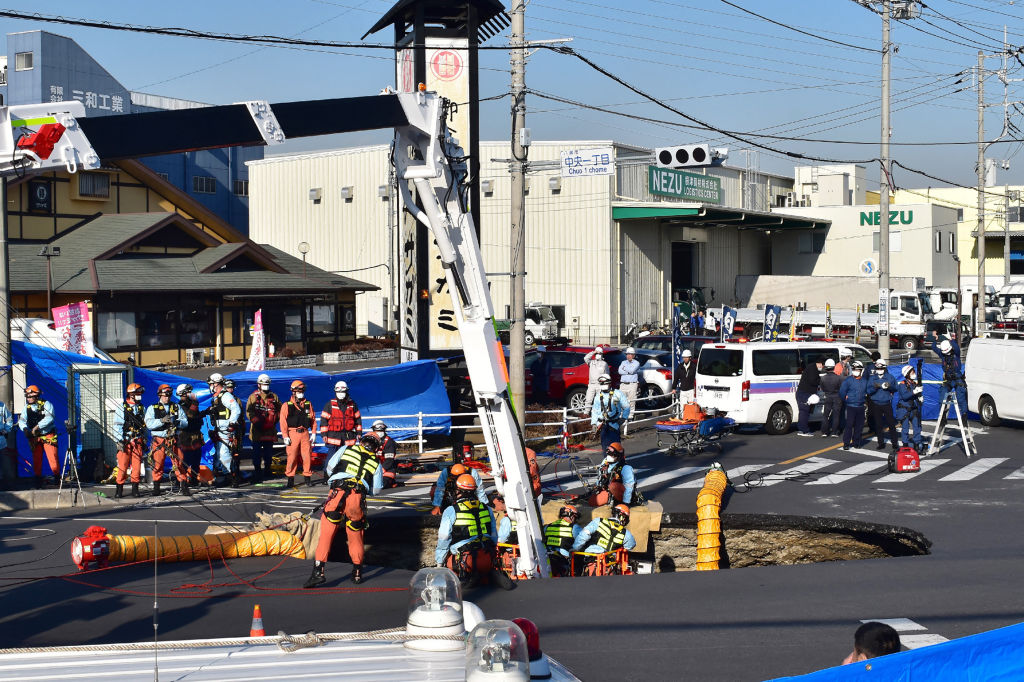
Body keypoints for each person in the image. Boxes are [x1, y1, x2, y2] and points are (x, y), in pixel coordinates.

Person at [304, 432, 383, 587]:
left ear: (362, 441)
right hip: (357, 499)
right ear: (376, 448)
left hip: (337, 494)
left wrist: (335, 481)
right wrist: (365, 489)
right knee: (355, 536)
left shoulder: (347, 449)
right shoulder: (376, 463)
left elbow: (330, 467)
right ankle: (357, 573)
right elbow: (378, 489)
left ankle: (318, 572)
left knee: (326, 534)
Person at [434, 473, 500, 585]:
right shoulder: (487, 508)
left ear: (459, 491)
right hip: (487, 557)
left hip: (466, 561)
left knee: (449, 563)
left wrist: (439, 562)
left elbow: (444, 538)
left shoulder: (451, 510)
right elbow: (494, 536)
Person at [144, 384, 188, 496]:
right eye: (165, 395)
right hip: (159, 440)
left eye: (169, 395)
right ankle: (156, 487)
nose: (167, 398)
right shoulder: (152, 408)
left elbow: (185, 422)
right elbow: (148, 424)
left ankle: (183, 485)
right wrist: (161, 421)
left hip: (173, 439)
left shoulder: (176, 407)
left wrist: (177, 422)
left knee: (179, 462)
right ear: (159, 395)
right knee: (158, 464)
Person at [18, 385, 58, 490]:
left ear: (37, 396)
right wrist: (25, 429)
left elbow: (50, 418)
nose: (29, 398)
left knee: (52, 458)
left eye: (31, 396)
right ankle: (37, 481)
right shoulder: (26, 408)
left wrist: (37, 427)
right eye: (27, 396)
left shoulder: (47, 404)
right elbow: (22, 420)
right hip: (35, 438)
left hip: (48, 435)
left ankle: (57, 479)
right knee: (36, 460)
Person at [573, 504, 636, 569]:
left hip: (590, 559)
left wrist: (574, 549)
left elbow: (584, 535)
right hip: (609, 564)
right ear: (624, 518)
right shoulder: (626, 533)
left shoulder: (598, 521)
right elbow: (630, 546)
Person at [205, 373, 241, 486]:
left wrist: (231, 423)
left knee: (224, 454)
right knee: (219, 454)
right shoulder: (216, 397)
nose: (210, 386)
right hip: (219, 429)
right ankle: (225, 475)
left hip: (226, 430)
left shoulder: (225, 396)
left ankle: (232, 477)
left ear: (216, 384)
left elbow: (236, 409)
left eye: (211, 384)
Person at [280, 379, 316, 488]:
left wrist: (313, 433)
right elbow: (283, 422)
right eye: (299, 391)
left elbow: (313, 420)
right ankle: (290, 479)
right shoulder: (286, 405)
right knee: (292, 457)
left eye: (302, 390)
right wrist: (285, 436)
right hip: (292, 434)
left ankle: (307, 478)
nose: (301, 393)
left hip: (305, 433)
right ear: (293, 392)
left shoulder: (308, 404)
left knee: (307, 456)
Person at [113, 383, 147, 499]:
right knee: (122, 466)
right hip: (126, 441)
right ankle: (119, 488)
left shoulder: (141, 408)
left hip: (137, 441)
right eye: (137, 394)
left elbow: (144, 426)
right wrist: (119, 441)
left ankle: (135, 489)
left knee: (136, 466)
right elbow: (117, 426)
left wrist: (144, 440)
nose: (139, 396)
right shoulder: (121, 408)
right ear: (131, 395)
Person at [246, 373, 281, 483]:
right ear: (259, 385)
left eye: (267, 384)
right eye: (263, 384)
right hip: (257, 431)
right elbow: (249, 411)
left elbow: (280, 410)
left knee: (268, 453)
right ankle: (257, 471)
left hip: (269, 431)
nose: (266, 386)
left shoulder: (274, 397)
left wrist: (274, 420)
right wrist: (256, 422)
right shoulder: (253, 397)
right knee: (256, 454)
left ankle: (267, 470)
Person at [930, 330, 967, 422]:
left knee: (961, 397)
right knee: (942, 396)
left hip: (958, 378)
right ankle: (942, 416)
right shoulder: (942, 355)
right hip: (948, 379)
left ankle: (964, 416)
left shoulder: (956, 353)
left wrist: (951, 339)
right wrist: (935, 339)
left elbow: (956, 347)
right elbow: (934, 347)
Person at [587, 442, 639, 507]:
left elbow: (629, 487)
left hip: (622, 492)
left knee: (613, 486)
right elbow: (600, 477)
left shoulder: (626, 468)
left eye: (612, 455)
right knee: (592, 502)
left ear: (618, 456)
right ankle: (608, 500)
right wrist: (597, 488)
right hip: (608, 490)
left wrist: (626, 503)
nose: (609, 457)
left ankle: (620, 503)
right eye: (608, 454)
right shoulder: (605, 462)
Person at [866, 359, 899, 453]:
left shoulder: (890, 377)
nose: (879, 369)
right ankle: (881, 443)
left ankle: (895, 443)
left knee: (891, 424)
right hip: (876, 403)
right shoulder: (872, 378)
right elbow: (868, 391)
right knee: (878, 424)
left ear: (884, 368)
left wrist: (890, 387)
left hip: (886, 403)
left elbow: (896, 388)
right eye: (878, 368)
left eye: (881, 368)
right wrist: (874, 387)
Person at [176, 384, 205, 488]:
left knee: (196, 459)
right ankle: (180, 480)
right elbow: (190, 415)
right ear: (183, 393)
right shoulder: (180, 406)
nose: (190, 393)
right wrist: (195, 402)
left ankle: (194, 479)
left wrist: (206, 412)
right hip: (186, 437)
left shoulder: (191, 404)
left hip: (196, 435)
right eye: (188, 391)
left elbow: (196, 416)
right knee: (186, 460)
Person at [591, 374, 630, 450]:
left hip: (614, 425)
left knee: (616, 449)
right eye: (601, 383)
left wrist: (623, 419)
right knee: (606, 449)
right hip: (602, 426)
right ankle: (607, 461)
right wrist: (593, 424)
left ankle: (619, 461)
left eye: (605, 383)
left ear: (609, 383)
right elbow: (595, 411)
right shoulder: (598, 396)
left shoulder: (618, 394)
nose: (603, 385)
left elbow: (626, 407)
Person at [320, 380, 362, 448]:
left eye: (342, 391)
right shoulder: (329, 405)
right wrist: (324, 434)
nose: (340, 393)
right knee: (332, 458)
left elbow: (358, 420)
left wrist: (359, 433)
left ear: (346, 391)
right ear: (335, 392)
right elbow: (323, 421)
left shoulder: (352, 404)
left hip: (349, 438)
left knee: (348, 458)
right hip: (333, 439)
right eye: (338, 392)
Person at [544, 504, 582, 577]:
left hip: (547, 560)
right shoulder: (574, 527)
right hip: (564, 562)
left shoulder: (547, 527)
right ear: (572, 516)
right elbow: (585, 540)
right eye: (575, 517)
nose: (575, 520)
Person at [839, 361, 868, 451]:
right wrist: (846, 399)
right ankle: (846, 443)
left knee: (859, 426)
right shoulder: (848, 380)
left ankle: (856, 442)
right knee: (849, 425)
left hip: (860, 406)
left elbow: (868, 391)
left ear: (861, 370)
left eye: (858, 369)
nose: (856, 371)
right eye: (854, 369)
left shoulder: (864, 381)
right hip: (851, 406)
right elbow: (842, 392)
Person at [895, 365, 925, 450]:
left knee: (917, 427)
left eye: (914, 372)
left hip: (914, 409)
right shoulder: (902, 384)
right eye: (912, 372)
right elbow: (904, 396)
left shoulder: (915, 384)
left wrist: (920, 397)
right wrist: (914, 392)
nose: (914, 374)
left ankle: (916, 444)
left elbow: (917, 395)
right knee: (905, 429)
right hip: (905, 410)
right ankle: (905, 445)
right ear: (907, 374)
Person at [223, 379, 245, 487]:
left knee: (236, 454)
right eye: (228, 388)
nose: (230, 390)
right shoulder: (221, 399)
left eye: (231, 388)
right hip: (224, 431)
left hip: (235, 431)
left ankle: (236, 476)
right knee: (224, 454)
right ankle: (227, 476)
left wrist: (241, 430)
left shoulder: (237, 400)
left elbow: (241, 417)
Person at [796, 356, 824, 436]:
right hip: (805, 393)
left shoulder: (811, 367)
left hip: (803, 392)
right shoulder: (813, 369)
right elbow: (813, 381)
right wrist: (820, 381)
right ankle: (804, 430)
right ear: (819, 363)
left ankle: (801, 429)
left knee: (803, 412)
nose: (823, 367)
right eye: (822, 365)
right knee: (804, 412)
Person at [369, 420, 400, 488]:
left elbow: (389, 460)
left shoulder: (389, 442)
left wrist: (380, 471)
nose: (379, 433)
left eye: (381, 431)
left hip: (386, 470)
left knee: (380, 485)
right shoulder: (369, 441)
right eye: (377, 431)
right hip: (372, 468)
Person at [617, 347, 640, 428]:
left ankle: (630, 416)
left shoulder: (636, 363)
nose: (628, 356)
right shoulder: (623, 362)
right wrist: (628, 370)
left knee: (632, 400)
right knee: (621, 400)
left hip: (632, 384)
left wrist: (625, 369)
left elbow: (632, 370)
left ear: (633, 355)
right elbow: (619, 371)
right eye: (627, 354)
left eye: (630, 354)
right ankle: (621, 415)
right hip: (623, 384)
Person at [820, 359, 843, 438]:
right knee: (836, 415)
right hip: (837, 396)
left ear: (826, 367)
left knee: (826, 415)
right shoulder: (839, 378)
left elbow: (822, 388)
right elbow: (841, 388)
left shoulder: (823, 378)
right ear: (834, 367)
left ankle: (824, 432)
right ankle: (834, 432)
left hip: (828, 396)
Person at [582, 347, 609, 412]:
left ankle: (599, 414)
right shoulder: (591, 362)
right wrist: (593, 352)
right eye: (597, 354)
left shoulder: (604, 364)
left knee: (600, 400)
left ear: (602, 354)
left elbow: (607, 375)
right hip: (591, 385)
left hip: (600, 385)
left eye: (599, 354)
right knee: (588, 399)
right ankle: (586, 413)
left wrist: (606, 385)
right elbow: (586, 358)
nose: (598, 355)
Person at [0, 398, 15, 490]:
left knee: (6, 466)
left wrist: (7, 429)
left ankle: (7, 487)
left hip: (1, 442)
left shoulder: (2, 406)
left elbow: (9, 419)